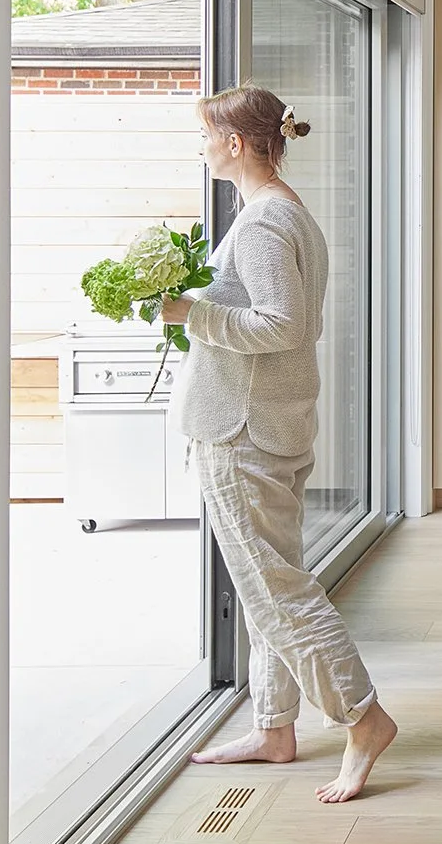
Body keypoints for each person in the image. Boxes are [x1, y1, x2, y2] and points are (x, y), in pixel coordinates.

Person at [166, 86, 397, 801]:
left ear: (236, 143)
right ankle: (274, 727)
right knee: (272, 579)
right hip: (277, 423)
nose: (201, 146)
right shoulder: (285, 210)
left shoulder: (264, 223)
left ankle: (362, 717)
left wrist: (189, 314)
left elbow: (281, 326)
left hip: (243, 431)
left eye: (206, 135)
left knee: (274, 589)